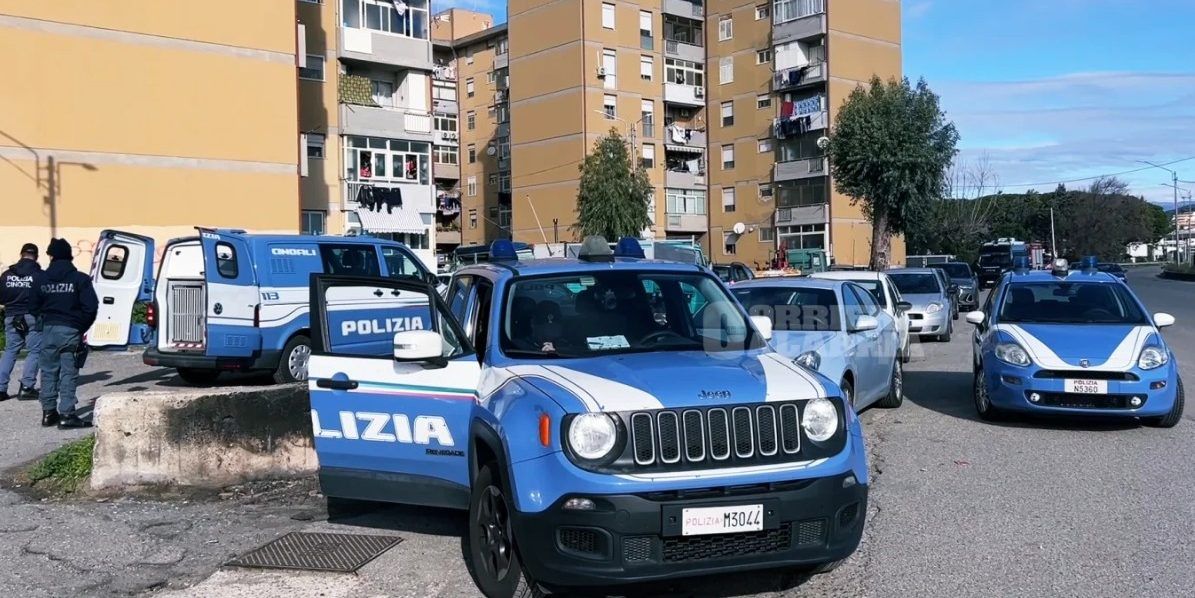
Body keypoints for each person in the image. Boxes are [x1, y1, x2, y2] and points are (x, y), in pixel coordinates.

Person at [30, 239, 98, 429]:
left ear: (51, 256)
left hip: (48, 330)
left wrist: (44, 322)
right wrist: (80, 326)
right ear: (69, 256)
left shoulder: (41, 279)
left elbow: (32, 306)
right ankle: (67, 414)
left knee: (48, 371)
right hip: (70, 329)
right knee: (68, 372)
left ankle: (48, 412)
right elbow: (91, 307)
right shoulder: (80, 279)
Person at [0, 243, 43, 401]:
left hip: (11, 315)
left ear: (21, 254)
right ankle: (26, 388)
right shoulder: (40, 275)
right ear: (36, 256)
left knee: (10, 350)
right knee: (35, 351)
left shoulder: (6, 275)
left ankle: (0, 389)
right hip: (33, 316)